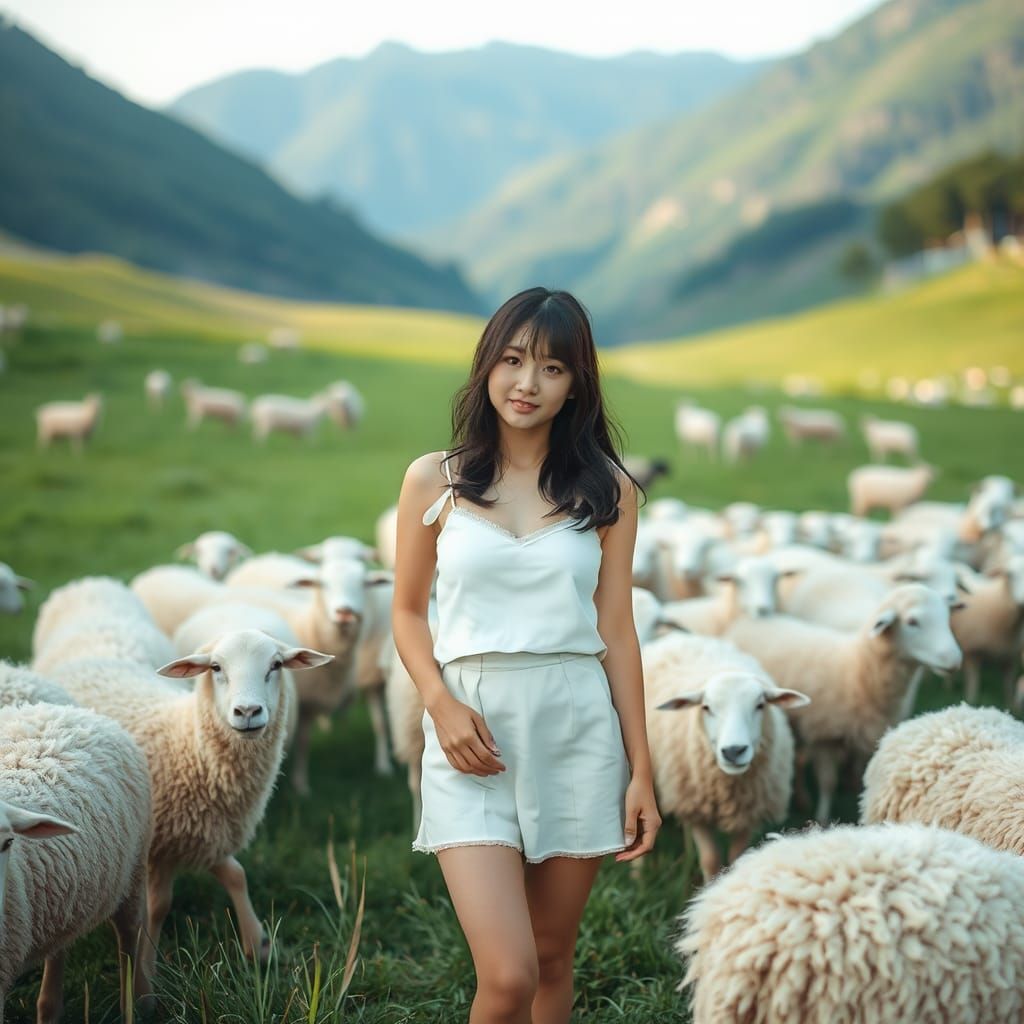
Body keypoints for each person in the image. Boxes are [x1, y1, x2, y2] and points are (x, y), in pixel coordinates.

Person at [392, 287, 661, 1024]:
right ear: (487, 366)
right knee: (508, 975)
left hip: (576, 727)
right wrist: (440, 704)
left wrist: (642, 770)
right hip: (471, 731)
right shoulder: (435, 479)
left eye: (551, 368)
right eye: (512, 360)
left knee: (550, 958)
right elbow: (407, 612)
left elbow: (618, 630)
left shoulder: (610, 490)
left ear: (577, 383)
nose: (527, 383)